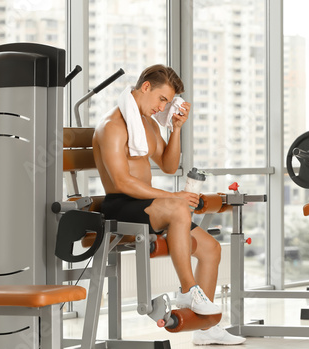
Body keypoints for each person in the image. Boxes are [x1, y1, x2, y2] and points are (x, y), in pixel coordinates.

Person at [92, 64, 245, 345]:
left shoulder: (147, 123)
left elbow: (169, 165)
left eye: (168, 102)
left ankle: (205, 330)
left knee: (210, 249)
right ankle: (188, 290)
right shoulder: (112, 125)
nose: (163, 106)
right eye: (162, 99)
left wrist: (175, 129)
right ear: (146, 87)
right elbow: (123, 182)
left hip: (147, 204)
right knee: (177, 207)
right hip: (119, 206)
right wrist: (173, 197)